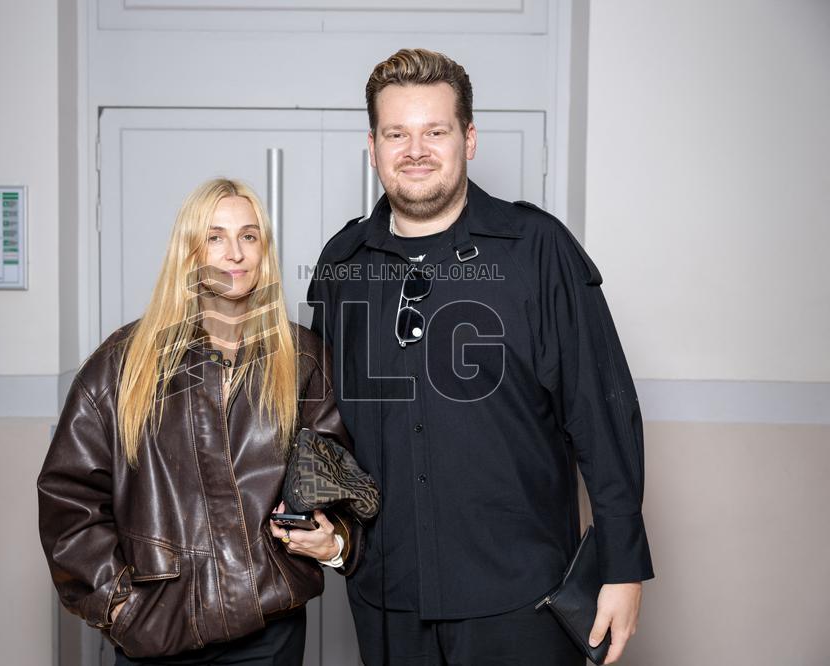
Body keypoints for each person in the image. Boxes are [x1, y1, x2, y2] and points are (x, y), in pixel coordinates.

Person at [307, 49, 654, 665]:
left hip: (522, 598)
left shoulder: (537, 250)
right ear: (373, 145)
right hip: (387, 598)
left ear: (468, 139)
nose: (416, 149)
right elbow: (325, 425)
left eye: (435, 131)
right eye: (397, 133)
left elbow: (603, 415)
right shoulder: (343, 265)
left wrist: (622, 569)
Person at [38, 178, 361, 665]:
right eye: (216, 237)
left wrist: (332, 533)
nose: (235, 253)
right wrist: (120, 607)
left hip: (268, 633)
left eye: (249, 236)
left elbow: (339, 474)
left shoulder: (304, 358)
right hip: (157, 630)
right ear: (188, 252)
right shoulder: (123, 362)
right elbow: (69, 499)